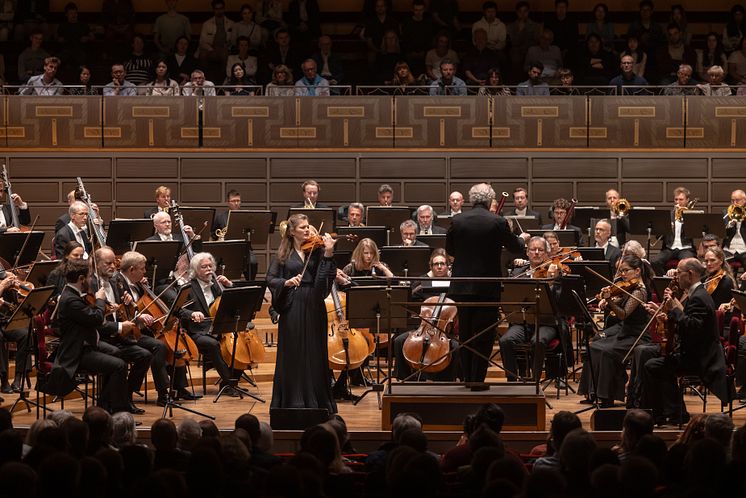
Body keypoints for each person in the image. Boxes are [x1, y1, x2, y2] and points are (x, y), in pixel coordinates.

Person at [447, 183, 528, 383]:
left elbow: (450, 249)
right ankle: (477, 380)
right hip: (487, 286)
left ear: (472, 199)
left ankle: (466, 378)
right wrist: (522, 239)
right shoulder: (498, 221)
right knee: (484, 334)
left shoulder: (457, 220)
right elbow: (515, 247)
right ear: (489, 200)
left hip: (462, 286)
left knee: (465, 333)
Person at [641, 258, 729, 425]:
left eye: (679, 273)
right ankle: (671, 412)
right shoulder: (697, 294)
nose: (676, 277)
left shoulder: (699, 297)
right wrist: (668, 317)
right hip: (695, 352)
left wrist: (674, 308)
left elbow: (692, 327)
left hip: (701, 358)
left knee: (653, 366)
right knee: (655, 361)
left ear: (690, 274)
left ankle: (669, 414)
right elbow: (688, 324)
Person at [266, 214, 338, 412]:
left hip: (314, 304)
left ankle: (318, 401)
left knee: (315, 351)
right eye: (303, 227)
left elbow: (324, 281)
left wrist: (329, 253)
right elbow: (270, 279)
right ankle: (292, 401)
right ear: (292, 231)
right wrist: (286, 282)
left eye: (309, 227)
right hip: (293, 305)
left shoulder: (316, 252)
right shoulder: (283, 255)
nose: (307, 230)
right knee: (294, 351)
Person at [40, 258, 131, 414]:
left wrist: (102, 308)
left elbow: (89, 318)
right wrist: (101, 300)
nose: (91, 279)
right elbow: (95, 319)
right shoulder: (70, 300)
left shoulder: (75, 294)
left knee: (117, 352)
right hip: (77, 351)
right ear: (81, 279)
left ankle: (104, 404)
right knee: (119, 365)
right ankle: (118, 409)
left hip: (86, 343)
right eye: (89, 276)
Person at [115, 250, 197, 404]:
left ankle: (178, 387)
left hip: (143, 328)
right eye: (142, 268)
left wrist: (145, 288)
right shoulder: (118, 283)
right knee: (159, 346)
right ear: (132, 270)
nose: (145, 272)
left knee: (174, 340)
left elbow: (145, 304)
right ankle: (161, 393)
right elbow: (119, 310)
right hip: (127, 332)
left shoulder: (138, 284)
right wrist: (138, 316)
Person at [578, 255, 651, 407]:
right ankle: (592, 393)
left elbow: (623, 314)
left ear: (637, 271)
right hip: (625, 331)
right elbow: (618, 301)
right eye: (621, 270)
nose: (622, 274)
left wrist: (610, 301)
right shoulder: (627, 288)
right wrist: (607, 298)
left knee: (606, 351)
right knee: (594, 346)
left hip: (637, 334)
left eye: (626, 270)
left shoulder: (640, 292)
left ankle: (606, 396)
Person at [90, 247, 153, 414]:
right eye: (108, 263)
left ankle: (126, 397)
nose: (113, 267)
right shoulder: (90, 284)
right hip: (100, 338)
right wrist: (118, 326)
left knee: (144, 355)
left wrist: (126, 307)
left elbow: (118, 311)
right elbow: (94, 320)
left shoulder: (114, 282)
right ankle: (111, 404)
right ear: (96, 264)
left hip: (118, 337)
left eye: (114, 263)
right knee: (118, 359)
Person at [179, 252, 242, 395]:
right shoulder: (188, 287)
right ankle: (229, 383)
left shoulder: (217, 285)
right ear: (195, 270)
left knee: (240, 340)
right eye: (204, 267)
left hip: (219, 328)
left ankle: (230, 382)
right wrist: (192, 313)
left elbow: (236, 301)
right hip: (197, 331)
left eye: (210, 266)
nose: (209, 269)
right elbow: (179, 310)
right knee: (213, 344)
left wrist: (229, 285)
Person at [394, 249, 460, 382]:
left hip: (445, 333)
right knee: (398, 341)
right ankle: (406, 379)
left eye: (443, 264)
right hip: (423, 329)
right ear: (431, 267)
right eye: (436, 264)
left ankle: (447, 381)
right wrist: (424, 280)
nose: (440, 267)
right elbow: (410, 298)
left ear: (448, 266)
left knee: (457, 348)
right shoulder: (424, 282)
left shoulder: (455, 283)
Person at [500, 236, 559, 381]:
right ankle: (512, 378)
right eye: (533, 249)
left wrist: (552, 282)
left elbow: (559, 302)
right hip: (523, 322)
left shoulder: (556, 271)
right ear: (527, 252)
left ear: (546, 253)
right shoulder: (517, 273)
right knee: (505, 341)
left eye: (541, 250)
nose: (537, 253)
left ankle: (535, 380)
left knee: (537, 341)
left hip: (547, 322)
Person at [651, 186, 696, 276]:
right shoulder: (668, 215)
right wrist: (665, 229)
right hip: (669, 248)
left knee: (689, 264)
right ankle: (665, 281)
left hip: (685, 248)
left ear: (687, 200)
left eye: (681, 199)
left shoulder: (692, 215)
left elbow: (696, 233)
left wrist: (687, 220)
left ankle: (682, 284)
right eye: (676, 199)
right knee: (654, 261)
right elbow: (658, 237)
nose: (678, 202)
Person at [723, 189, 746, 267]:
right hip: (729, 249)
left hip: (744, 249)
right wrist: (731, 223)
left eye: (737, 200)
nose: (734, 203)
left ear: (744, 200)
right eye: (732, 201)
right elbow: (722, 229)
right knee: (719, 261)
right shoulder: (726, 212)